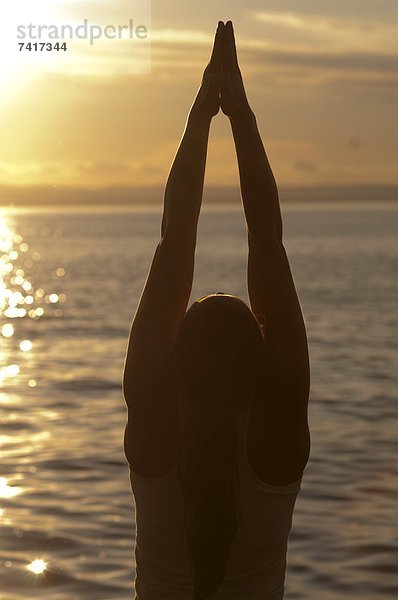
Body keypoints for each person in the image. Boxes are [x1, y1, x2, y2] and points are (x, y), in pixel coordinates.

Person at [122, 20, 310, 600]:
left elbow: (174, 243)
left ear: (175, 362)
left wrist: (201, 114)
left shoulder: (155, 428)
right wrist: (242, 117)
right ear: (261, 365)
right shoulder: (278, 434)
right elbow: (268, 240)